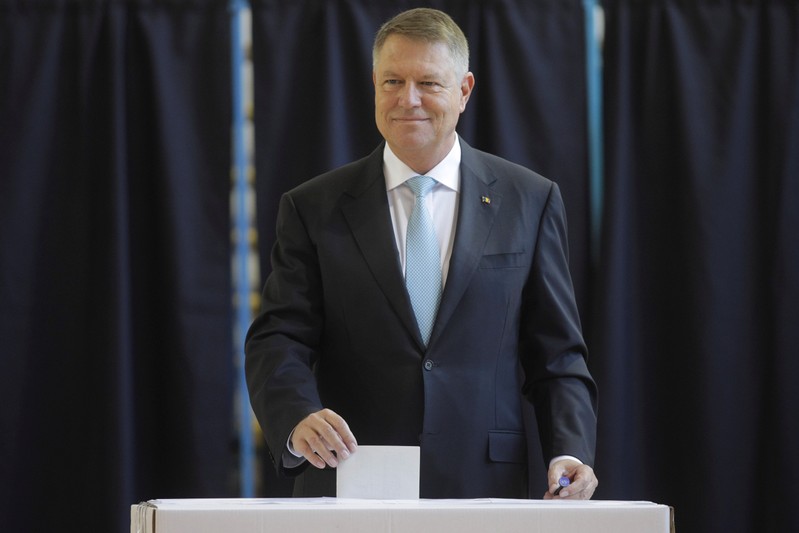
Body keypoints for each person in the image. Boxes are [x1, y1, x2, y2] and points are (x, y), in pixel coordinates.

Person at [245, 7, 598, 500]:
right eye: (392, 81)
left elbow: (557, 355)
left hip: (484, 488)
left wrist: (571, 450)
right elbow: (278, 338)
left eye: (428, 83)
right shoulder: (312, 207)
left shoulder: (529, 201)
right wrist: (297, 415)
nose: (407, 99)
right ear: (373, 84)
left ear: (464, 90)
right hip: (352, 482)